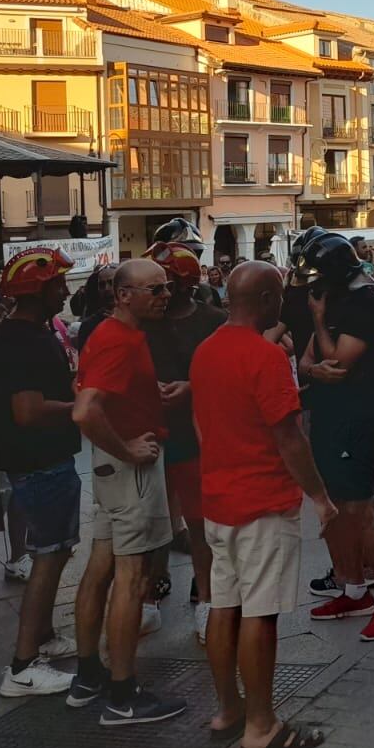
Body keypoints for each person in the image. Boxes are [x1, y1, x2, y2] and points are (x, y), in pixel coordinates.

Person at [191, 261, 333, 748]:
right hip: (262, 501)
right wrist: (319, 495)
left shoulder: (205, 351)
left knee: (223, 606)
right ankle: (261, 725)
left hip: (219, 499)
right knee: (260, 614)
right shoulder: (265, 356)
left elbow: (203, 425)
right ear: (271, 300)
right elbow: (289, 437)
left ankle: (228, 710)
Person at [68, 257, 184, 724]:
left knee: (101, 568)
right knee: (131, 579)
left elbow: (101, 397)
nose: (165, 295)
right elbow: (84, 411)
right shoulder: (117, 338)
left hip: (111, 468)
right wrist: (130, 450)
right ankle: (122, 693)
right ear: (123, 296)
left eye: (166, 287)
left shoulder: (112, 335)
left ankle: (89, 675)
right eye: (154, 290)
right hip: (129, 469)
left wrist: (146, 392)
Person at [297, 232, 374, 642]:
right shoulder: (341, 303)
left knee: (362, 511)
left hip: (355, 418)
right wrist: (314, 367)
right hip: (330, 417)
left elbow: (334, 361)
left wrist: (319, 337)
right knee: (339, 508)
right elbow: (309, 361)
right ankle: (355, 589)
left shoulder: (359, 305)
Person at [0, 247, 83, 698]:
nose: (65, 291)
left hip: (42, 461)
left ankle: (43, 638)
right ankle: (22, 667)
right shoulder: (24, 340)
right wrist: (79, 407)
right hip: (40, 462)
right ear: (37, 291)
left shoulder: (23, 334)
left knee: (56, 552)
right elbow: (27, 411)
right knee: (48, 555)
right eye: (58, 285)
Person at [142, 241, 227, 647]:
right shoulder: (138, 324)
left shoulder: (214, 321)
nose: (156, 293)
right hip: (147, 432)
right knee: (151, 519)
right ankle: (148, 594)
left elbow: (228, 375)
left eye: (162, 285)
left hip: (194, 435)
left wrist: (190, 387)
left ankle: (206, 597)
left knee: (197, 521)